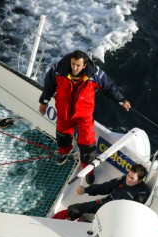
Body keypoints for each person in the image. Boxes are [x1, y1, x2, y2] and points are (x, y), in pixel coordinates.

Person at [39, 50, 131, 185]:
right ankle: (64, 152)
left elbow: (109, 87)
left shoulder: (95, 74)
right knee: (62, 135)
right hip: (64, 113)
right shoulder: (58, 70)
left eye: (78, 65)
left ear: (84, 65)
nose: (74, 68)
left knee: (88, 144)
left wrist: (122, 100)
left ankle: (88, 170)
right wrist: (44, 102)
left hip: (84, 116)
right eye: (73, 64)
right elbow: (49, 86)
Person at [52, 163, 150, 221]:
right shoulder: (123, 179)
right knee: (74, 209)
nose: (128, 179)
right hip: (103, 203)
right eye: (128, 175)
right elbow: (106, 187)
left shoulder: (142, 193)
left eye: (132, 178)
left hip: (112, 216)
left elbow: (131, 211)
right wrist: (86, 190)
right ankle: (52, 221)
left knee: (87, 219)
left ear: (140, 180)